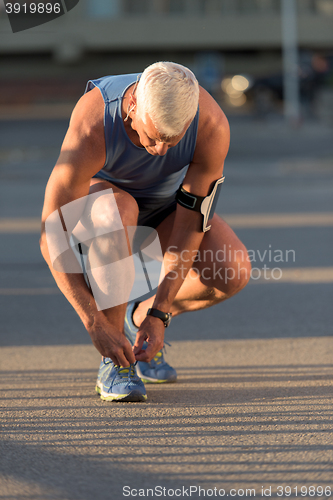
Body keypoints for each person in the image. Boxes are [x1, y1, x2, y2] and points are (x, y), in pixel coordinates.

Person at [40, 62, 251, 402]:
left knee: (233, 271)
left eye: (173, 140)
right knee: (118, 209)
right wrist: (94, 322)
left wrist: (159, 313)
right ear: (134, 104)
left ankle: (137, 319)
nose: (160, 151)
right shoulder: (94, 120)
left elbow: (189, 223)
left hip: (165, 212)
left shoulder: (211, 125)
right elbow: (52, 234)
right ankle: (116, 362)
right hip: (103, 217)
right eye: (151, 137)